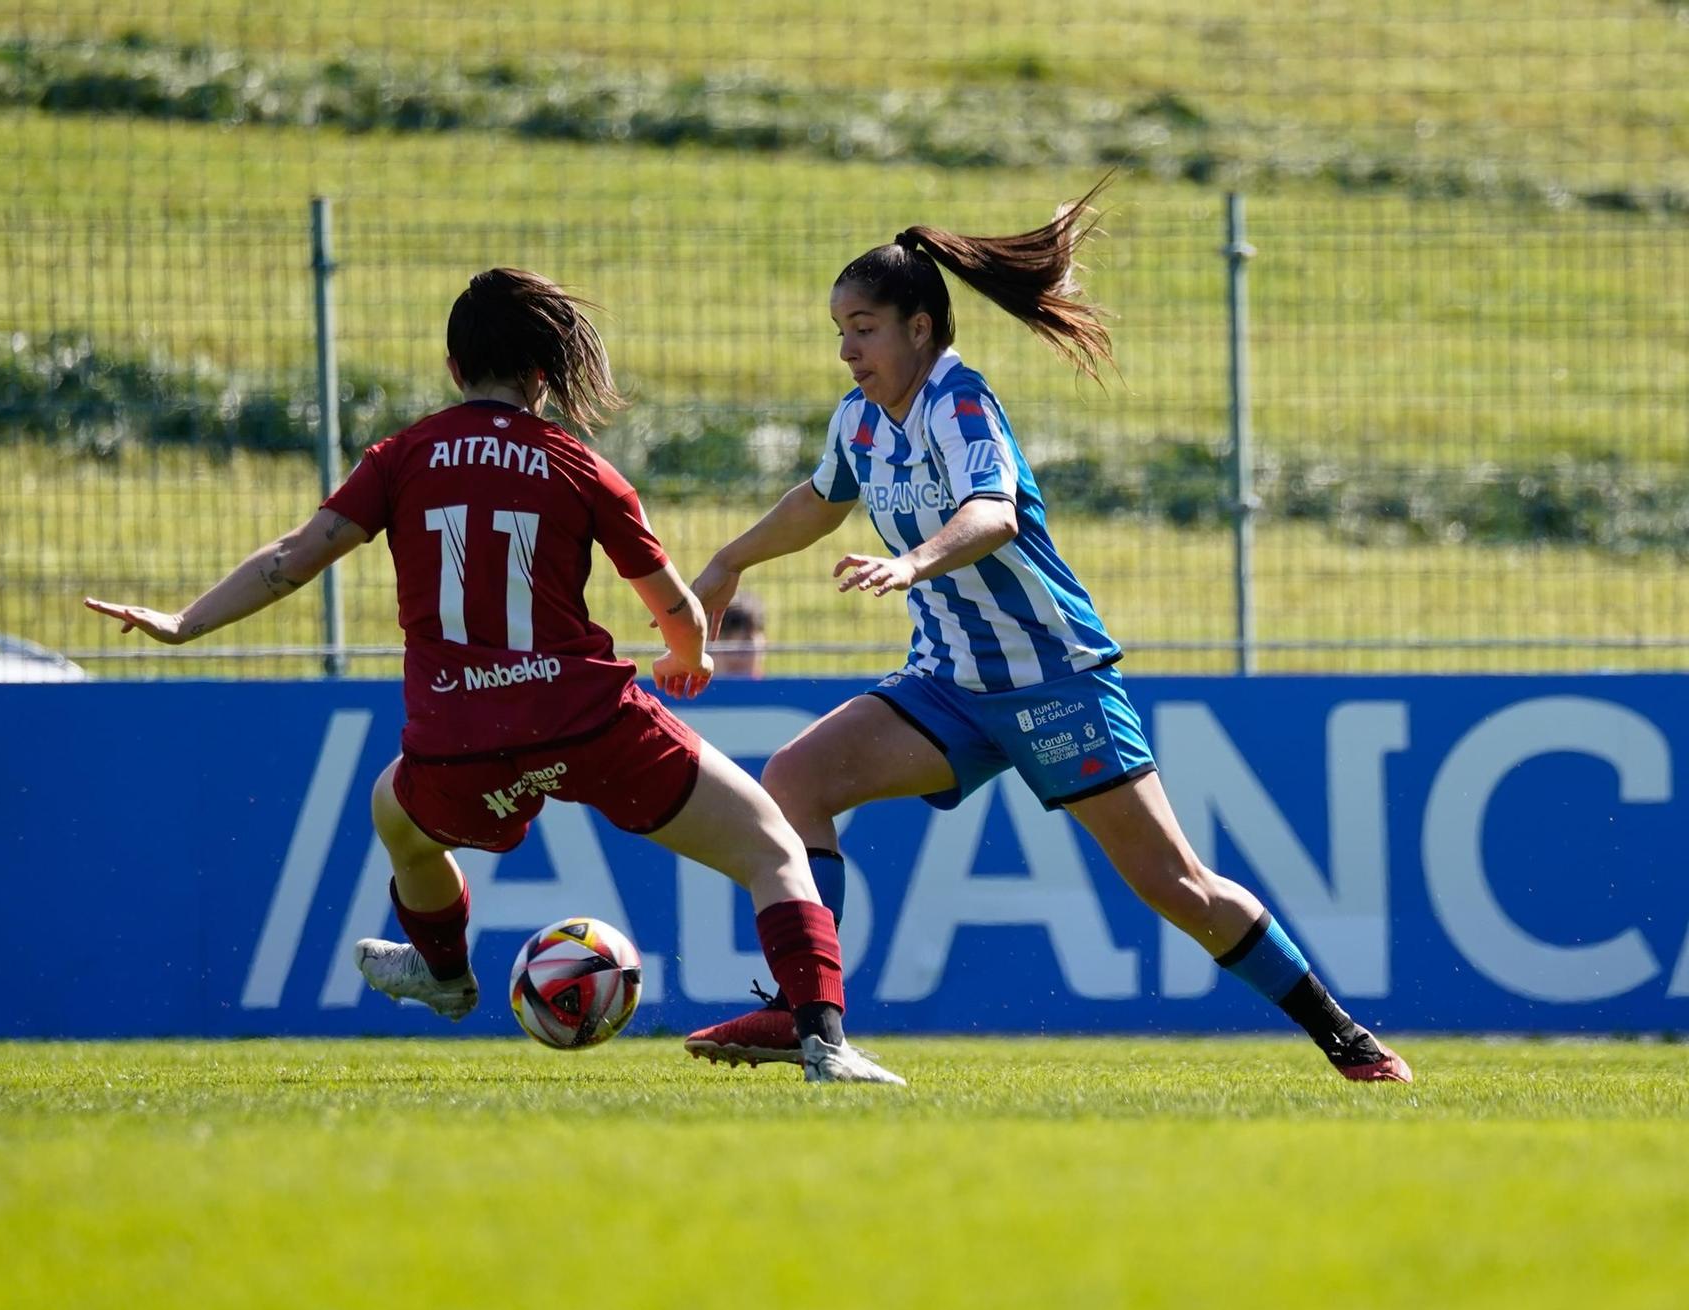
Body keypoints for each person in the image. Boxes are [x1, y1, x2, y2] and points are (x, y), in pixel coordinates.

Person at [85, 267, 901, 1085]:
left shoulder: (400, 458)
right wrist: (686, 657)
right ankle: (824, 1043)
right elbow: (676, 609)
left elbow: (294, 559)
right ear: (543, 376)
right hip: (587, 720)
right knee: (773, 848)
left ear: (453, 368)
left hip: (457, 738)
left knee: (395, 814)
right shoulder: (577, 465)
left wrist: (187, 621)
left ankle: (442, 968)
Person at [679, 186, 1413, 1083]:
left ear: (920, 327)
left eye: (863, 327)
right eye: (839, 328)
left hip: (1052, 679)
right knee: (795, 778)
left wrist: (911, 566)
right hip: (948, 684)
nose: (846, 349)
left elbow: (993, 515)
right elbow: (820, 501)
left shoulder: (962, 404)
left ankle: (1347, 1039)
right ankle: (811, 1021)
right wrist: (728, 562)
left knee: (1172, 884)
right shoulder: (860, 419)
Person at [710, 590, 769, 679]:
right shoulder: (689, 691)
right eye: (726, 644)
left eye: (746, 643)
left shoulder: (773, 690)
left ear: (764, 644)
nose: (736, 658)